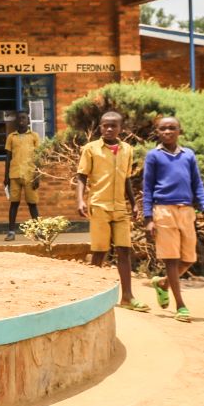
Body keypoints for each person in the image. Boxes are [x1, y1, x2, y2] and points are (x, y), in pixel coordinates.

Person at [143, 116, 204, 323]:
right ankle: (180, 305)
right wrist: (149, 217)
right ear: (158, 132)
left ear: (179, 131)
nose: (167, 132)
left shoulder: (188, 155)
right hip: (163, 211)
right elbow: (147, 188)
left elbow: (197, 185)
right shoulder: (154, 156)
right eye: (163, 129)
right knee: (171, 259)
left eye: (172, 128)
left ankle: (163, 283)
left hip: (186, 211)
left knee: (189, 258)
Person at [76, 111, 148, 311]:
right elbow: (82, 176)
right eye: (105, 125)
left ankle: (127, 296)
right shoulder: (90, 149)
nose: (109, 129)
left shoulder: (127, 150)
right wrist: (80, 199)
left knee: (124, 250)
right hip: (99, 205)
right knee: (99, 252)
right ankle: (91, 298)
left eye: (113, 126)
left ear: (120, 129)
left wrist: (133, 203)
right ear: (100, 127)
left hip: (120, 207)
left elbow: (126, 179)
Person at [3, 112, 41, 241]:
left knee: (32, 204)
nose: (21, 120)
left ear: (28, 121)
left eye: (24, 118)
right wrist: (6, 177)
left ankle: (38, 231)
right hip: (14, 175)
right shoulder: (11, 137)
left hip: (30, 175)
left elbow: (39, 157)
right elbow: (8, 158)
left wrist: (38, 175)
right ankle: (11, 232)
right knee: (14, 203)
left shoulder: (34, 136)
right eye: (19, 118)